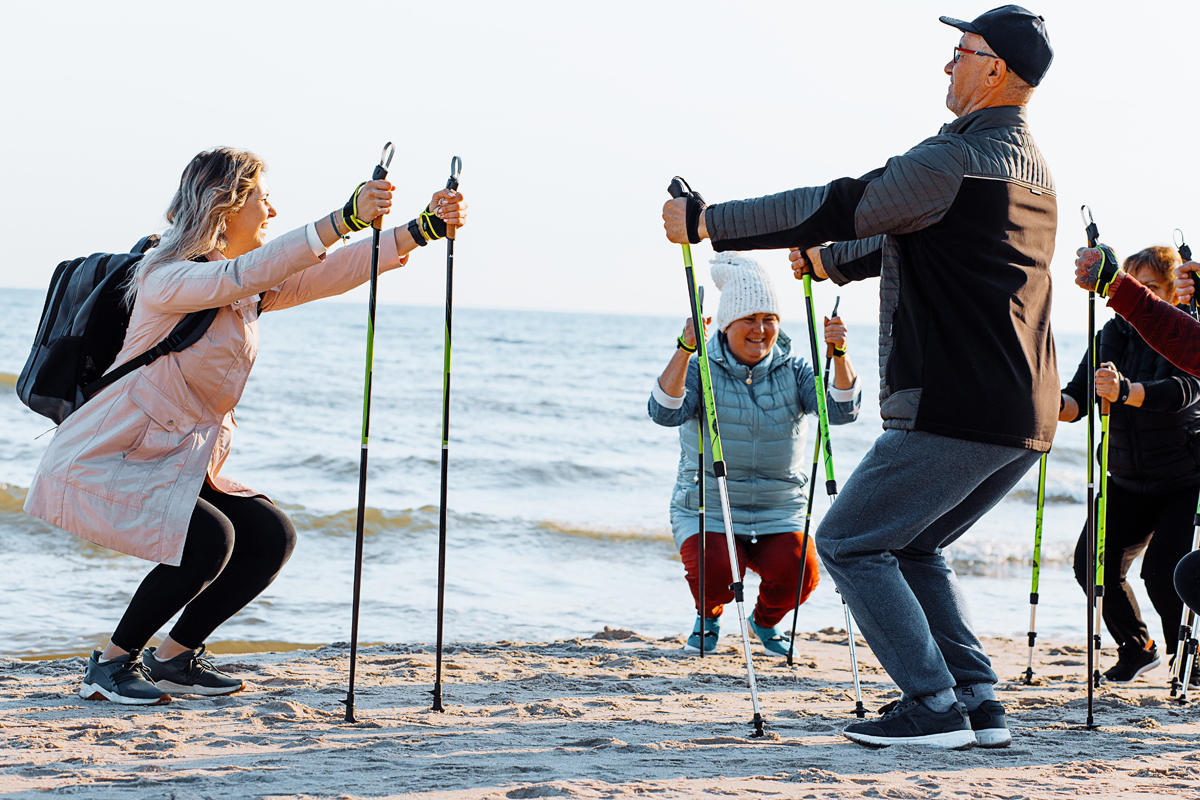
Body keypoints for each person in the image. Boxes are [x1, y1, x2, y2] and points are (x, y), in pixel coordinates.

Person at [662, 6, 1056, 749]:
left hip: (958, 404)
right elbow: (918, 238)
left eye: (960, 51)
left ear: (996, 68)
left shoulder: (954, 157)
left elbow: (846, 201)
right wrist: (833, 261)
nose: (948, 65)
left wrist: (711, 220)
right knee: (910, 546)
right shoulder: (1027, 167)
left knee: (848, 542)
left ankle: (933, 705)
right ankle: (976, 700)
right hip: (1021, 411)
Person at [23, 147, 467, 704]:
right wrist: (344, 217)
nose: (272, 210)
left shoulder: (239, 288)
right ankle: (111, 665)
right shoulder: (166, 278)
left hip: (170, 457)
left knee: (267, 535)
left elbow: (320, 274)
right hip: (110, 455)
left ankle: (175, 658)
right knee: (209, 540)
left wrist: (418, 230)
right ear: (225, 206)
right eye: (261, 198)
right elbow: (247, 271)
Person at [647, 253, 861, 656]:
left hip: (779, 508)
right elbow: (663, 411)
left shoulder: (796, 369)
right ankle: (708, 616)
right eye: (749, 319)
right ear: (727, 325)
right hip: (710, 504)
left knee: (802, 571)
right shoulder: (700, 369)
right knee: (715, 569)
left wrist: (839, 355)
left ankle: (763, 624)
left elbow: (841, 411)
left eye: (769, 319)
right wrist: (684, 349)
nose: (760, 330)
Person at [1059, 246, 1200, 684]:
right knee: (1091, 565)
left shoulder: (1186, 330)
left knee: (1163, 572)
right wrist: (1034, 398)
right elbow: (1075, 401)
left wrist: (1126, 391)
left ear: (1174, 293)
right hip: (1124, 477)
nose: (1142, 298)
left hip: (1182, 478)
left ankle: (1188, 661)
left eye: (1151, 289)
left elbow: (1182, 391)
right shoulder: (1109, 335)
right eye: (1134, 285)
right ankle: (1138, 647)